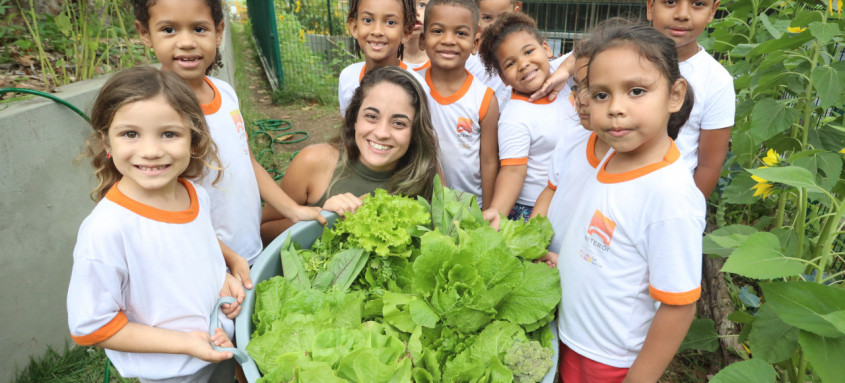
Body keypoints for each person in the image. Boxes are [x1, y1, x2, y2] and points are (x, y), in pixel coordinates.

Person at [548, 23, 704, 383]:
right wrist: (564, 260)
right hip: (578, 340)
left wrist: (640, 379)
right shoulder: (613, 157)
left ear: (675, 95)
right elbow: (607, 241)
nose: (615, 108)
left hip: (612, 361)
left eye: (636, 91)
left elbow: (678, 306)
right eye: (601, 95)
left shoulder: (670, 196)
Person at [67, 66, 243, 382]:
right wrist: (186, 343)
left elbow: (193, 245)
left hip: (219, 350)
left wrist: (222, 277)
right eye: (130, 133)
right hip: (172, 373)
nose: (151, 151)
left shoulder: (195, 194)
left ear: (194, 140)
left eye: (169, 133)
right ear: (106, 141)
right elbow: (91, 325)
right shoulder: (107, 229)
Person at [131, 0, 324, 284]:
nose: (186, 42)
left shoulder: (224, 92)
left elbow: (248, 162)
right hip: (206, 267)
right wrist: (225, 260)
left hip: (248, 251)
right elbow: (164, 206)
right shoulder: (156, 114)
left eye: (199, 29)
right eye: (169, 29)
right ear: (145, 33)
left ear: (219, 32)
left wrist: (292, 210)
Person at [260, 66, 440, 243]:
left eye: (399, 123)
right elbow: (264, 230)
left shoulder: (426, 173)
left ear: (415, 131)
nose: (382, 133)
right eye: (371, 116)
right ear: (354, 119)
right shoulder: (313, 161)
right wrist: (324, 218)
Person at [477, 12, 580, 223]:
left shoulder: (559, 75)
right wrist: (498, 210)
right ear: (503, 78)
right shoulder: (514, 117)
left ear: (546, 49)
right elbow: (513, 171)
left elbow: (595, 49)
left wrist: (566, 71)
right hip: (533, 210)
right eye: (510, 63)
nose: (523, 64)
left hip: (572, 198)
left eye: (529, 51)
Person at [647, 0, 734, 199]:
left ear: (713, 11)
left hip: (670, 203)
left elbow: (709, 165)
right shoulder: (620, 58)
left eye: (697, 4)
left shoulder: (717, 81)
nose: (682, 14)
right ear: (651, 6)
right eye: (670, 2)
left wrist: (689, 214)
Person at [417, 0, 499, 208]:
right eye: (438, 31)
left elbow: (489, 162)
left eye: (461, 33)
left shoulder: (485, 99)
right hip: (420, 206)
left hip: (470, 209)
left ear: (475, 43)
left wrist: (488, 210)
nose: (448, 40)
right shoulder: (410, 86)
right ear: (422, 39)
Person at [530, 37, 610, 223]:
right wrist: (531, 237)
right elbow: (551, 190)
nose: (581, 99)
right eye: (577, 86)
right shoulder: (572, 138)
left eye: (596, 90)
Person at [338, 0, 422, 115]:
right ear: (354, 27)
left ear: (406, 32)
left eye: (390, 22)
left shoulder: (418, 85)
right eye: (368, 20)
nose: (377, 31)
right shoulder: (347, 77)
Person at [463, 0, 522, 109]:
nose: (496, 25)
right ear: (476, 18)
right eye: (487, 18)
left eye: (503, 17)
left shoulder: (527, 53)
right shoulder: (469, 58)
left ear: (515, 13)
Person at [404, 0, 431, 70]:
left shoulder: (442, 59)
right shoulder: (384, 58)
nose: (415, 13)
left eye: (421, 5)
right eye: (407, 6)